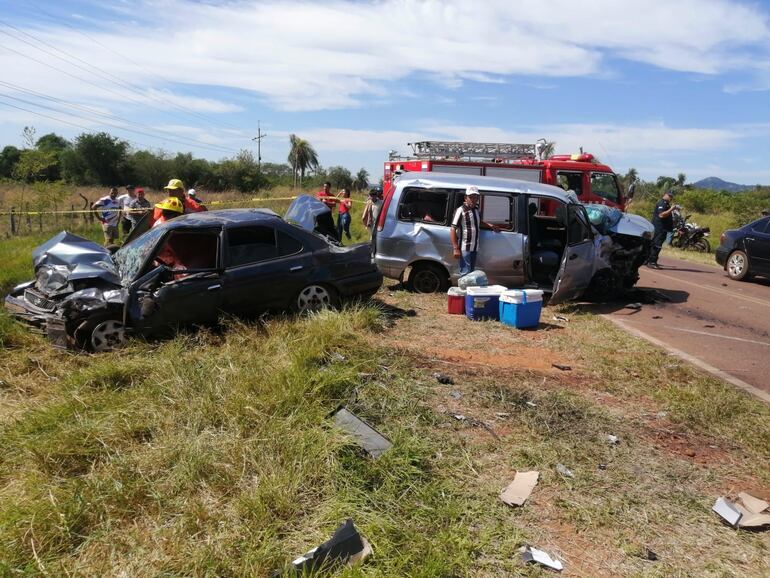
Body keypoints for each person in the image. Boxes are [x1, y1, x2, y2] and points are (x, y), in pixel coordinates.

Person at [450, 186, 500, 276]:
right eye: (471, 197)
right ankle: (464, 289)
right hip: (465, 247)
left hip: (474, 247)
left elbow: (478, 222)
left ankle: (468, 289)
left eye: (476, 197)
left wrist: (490, 225)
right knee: (465, 273)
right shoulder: (461, 210)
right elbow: (453, 228)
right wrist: (455, 248)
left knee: (471, 273)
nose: (473, 199)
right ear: (466, 198)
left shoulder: (476, 210)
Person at [647, 191, 679, 268]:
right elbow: (661, 215)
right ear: (665, 195)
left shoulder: (666, 204)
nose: (670, 198)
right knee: (657, 244)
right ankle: (652, 262)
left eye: (671, 196)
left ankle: (648, 260)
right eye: (669, 196)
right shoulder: (662, 203)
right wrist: (671, 209)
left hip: (663, 228)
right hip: (659, 227)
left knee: (655, 243)